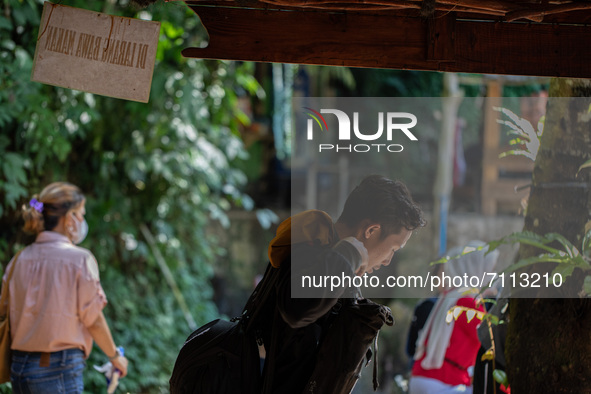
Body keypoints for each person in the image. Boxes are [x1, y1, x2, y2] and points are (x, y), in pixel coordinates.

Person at [253, 174, 426, 393]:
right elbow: (296, 308)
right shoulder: (311, 247)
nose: (387, 260)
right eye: (393, 249)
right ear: (371, 231)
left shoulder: (334, 260)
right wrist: (349, 252)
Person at [0, 182, 129, 393]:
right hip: (58, 368)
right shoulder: (79, 260)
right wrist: (115, 357)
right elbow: (94, 319)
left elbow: (3, 312)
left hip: (19, 368)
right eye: (80, 214)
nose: (82, 220)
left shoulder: (18, 259)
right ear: (69, 218)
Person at [408, 241, 499, 394]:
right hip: (442, 382)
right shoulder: (467, 302)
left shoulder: (452, 296)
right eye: (488, 270)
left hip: (427, 378)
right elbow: (491, 340)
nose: (492, 275)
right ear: (475, 270)